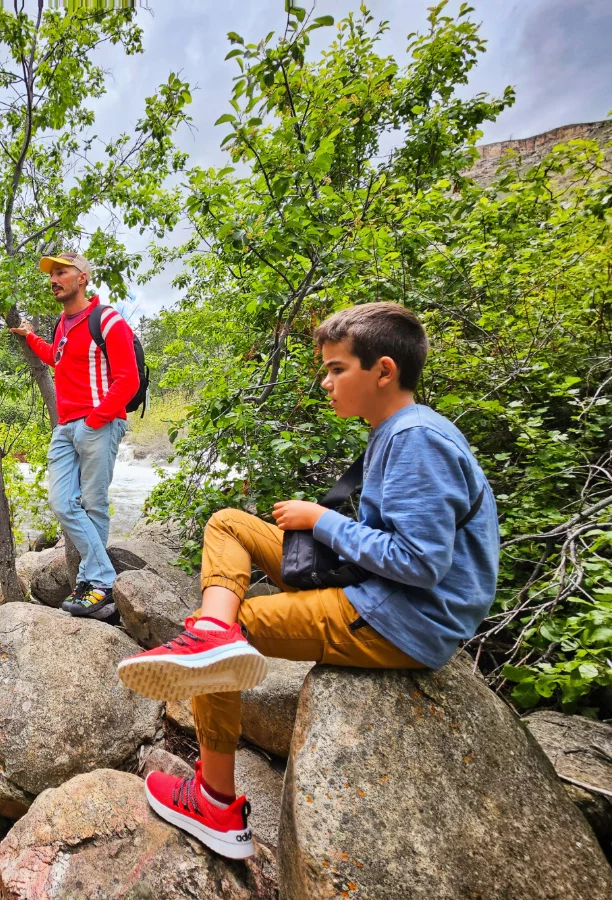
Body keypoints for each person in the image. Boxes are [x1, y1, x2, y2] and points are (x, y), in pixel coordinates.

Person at [116, 302, 499, 860]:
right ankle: (212, 632)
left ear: (384, 371)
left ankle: (214, 800)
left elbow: (422, 562)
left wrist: (324, 521)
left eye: (337, 369)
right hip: (377, 587)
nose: (325, 382)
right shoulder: (398, 430)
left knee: (236, 632)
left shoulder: (418, 440)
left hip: (403, 617)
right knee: (228, 525)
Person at [9, 252, 140, 621]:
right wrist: (31, 337)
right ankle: (100, 578)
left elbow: (127, 379)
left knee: (94, 505)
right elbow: (57, 358)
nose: (54, 279)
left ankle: (93, 584)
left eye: (61, 272)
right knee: (63, 502)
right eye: (51, 274)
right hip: (65, 428)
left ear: (82, 277)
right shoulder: (63, 325)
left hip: (98, 423)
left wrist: (96, 420)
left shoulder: (108, 320)